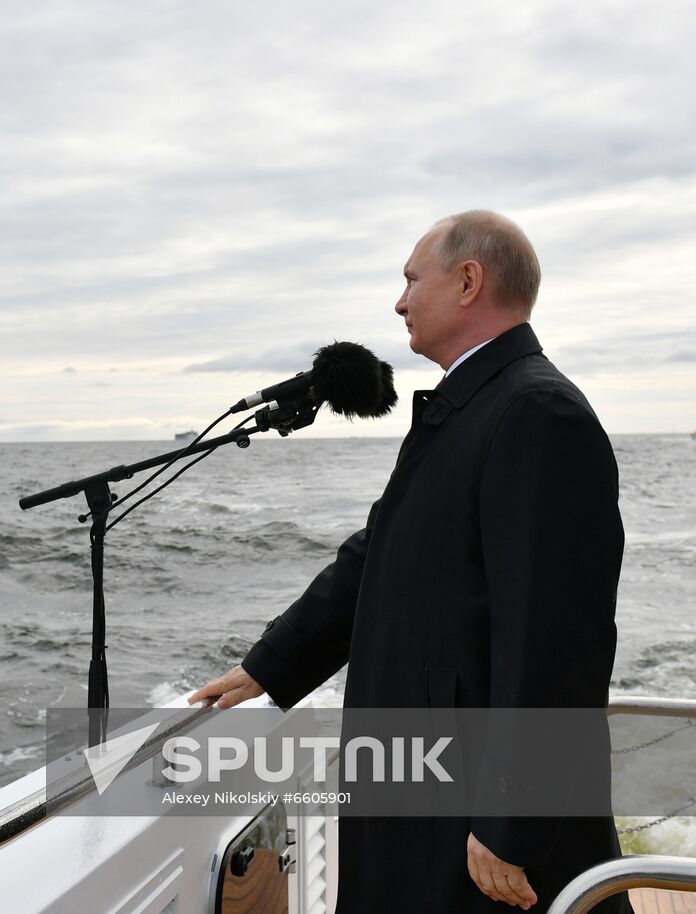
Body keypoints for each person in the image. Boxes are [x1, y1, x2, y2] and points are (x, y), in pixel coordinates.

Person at [189, 211, 628, 913]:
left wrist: (512, 820)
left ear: (467, 280)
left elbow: (557, 644)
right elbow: (377, 556)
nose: (398, 303)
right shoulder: (470, 408)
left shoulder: (537, 414)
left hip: (471, 810)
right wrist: (269, 663)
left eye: (409, 280)